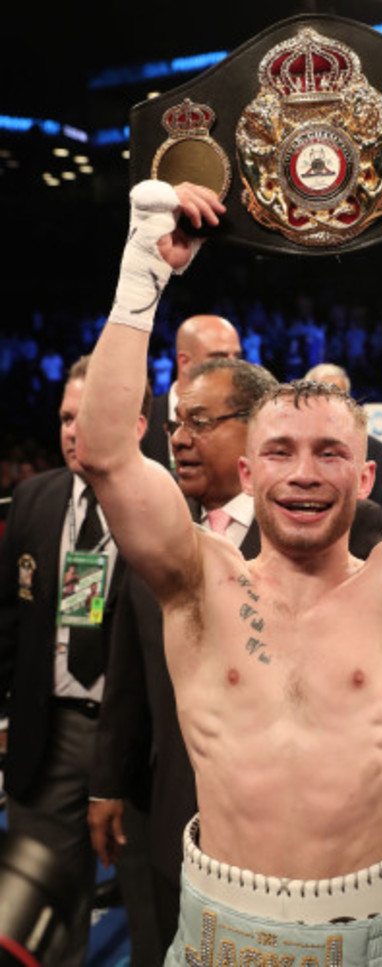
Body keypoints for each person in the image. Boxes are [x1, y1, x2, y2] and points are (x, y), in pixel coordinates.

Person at [76, 150, 382, 964]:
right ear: (248, 470)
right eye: (280, 450)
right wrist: (142, 269)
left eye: (327, 452)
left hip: (369, 932)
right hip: (215, 925)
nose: (305, 473)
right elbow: (105, 454)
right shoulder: (198, 582)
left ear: (366, 472)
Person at [87, 357, 382, 957]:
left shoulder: (347, 524)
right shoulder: (157, 531)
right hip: (168, 809)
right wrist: (107, 783)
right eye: (175, 422)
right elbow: (129, 676)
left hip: (306, 855)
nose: (178, 439)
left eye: (199, 421)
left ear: (253, 433)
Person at [0, 356, 150, 967]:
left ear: (135, 425)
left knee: (152, 903)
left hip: (143, 744)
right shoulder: (34, 499)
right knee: (42, 909)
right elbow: (9, 622)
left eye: (85, 418)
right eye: (65, 417)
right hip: (51, 730)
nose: (70, 430)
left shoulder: (167, 503)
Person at [142, 313, 242, 469]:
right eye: (219, 357)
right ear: (185, 361)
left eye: (236, 356)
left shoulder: (246, 421)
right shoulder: (145, 417)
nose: (232, 367)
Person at [305, 362, 382, 526]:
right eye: (324, 398)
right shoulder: (292, 446)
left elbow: (379, 516)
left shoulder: (373, 449)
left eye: (340, 397)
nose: (332, 406)